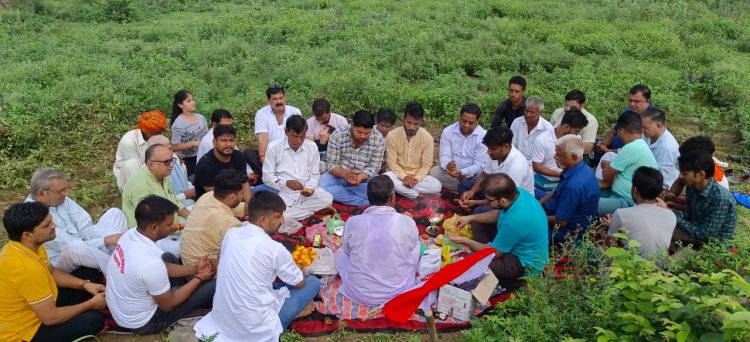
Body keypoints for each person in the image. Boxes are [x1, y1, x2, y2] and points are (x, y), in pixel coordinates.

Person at [194, 192, 321, 342]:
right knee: (313, 282)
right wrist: (299, 268)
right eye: (278, 216)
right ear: (263, 221)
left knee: (268, 280)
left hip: (223, 321)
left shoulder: (232, 234)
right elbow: (300, 282)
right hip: (256, 330)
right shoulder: (275, 249)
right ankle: (292, 314)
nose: (283, 220)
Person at [106, 195, 217, 335]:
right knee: (213, 285)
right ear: (154, 227)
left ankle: (175, 289)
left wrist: (195, 269)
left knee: (168, 257)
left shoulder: (130, 235)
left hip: (122, 309)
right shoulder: (150, 264)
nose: (172, 227)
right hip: (145, 322)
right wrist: (199, 278)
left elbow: (163, 267)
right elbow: (168, 305)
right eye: (169, 224)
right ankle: (180, 292)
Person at [0, 202, 106, 342]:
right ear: (27, 235)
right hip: (27, 331)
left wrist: (85, 285)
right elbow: (51, 318)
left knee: (88, 272)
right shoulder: (26, 269)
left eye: (51, 221)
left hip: (40, 305)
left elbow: (52, 272)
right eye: (47, 225)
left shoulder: (29, 246)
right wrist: (91, 304)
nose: (54, 226)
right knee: (94, 320)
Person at [450, 174, 548, 289]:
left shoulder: (514, 221)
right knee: (476, 219)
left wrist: (466, 241)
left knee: (474, 265)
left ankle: (513, 277)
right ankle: (485, 249)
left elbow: (495, 254)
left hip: (523, 262)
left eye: (489, 200)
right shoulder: (517, 193)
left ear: (502, 201)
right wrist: (470, 218)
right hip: (514, 242)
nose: (487, 202)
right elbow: (499, 214)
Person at [335, 176, 420, 306]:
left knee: (340, 253)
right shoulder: (406, 221)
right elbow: (412, 248)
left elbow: (347, 252)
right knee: (416, 246)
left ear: (368, 198)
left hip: (360, 293)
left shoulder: (353, 222)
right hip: (399, 291)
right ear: (393, 197)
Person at [24, 168, 128, 272]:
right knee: (76, 247)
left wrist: (115, 238)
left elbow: (86, 227)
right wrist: (106, 240)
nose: (66, 194)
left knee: (115, 213)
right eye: (61, 191)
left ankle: (121, 252)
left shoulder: (61, 200)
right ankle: (118, 270)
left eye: (66, 190)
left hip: (82, 243)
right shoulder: (33, 215)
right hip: (60, 260)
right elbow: (67, 245)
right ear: (41, 193)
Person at [263, 115, 334, 221]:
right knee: (273, 210)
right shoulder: (273, 147)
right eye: (295, 136)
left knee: (327, 198)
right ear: (286, 132)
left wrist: (310, 188)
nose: (299, 141)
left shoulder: (312, 146)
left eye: (302, 137)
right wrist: (285, 183)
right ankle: (309, 212)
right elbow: (267, 177)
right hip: (285, 192)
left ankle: (287, 217)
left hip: (307, 192)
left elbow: (315, 175)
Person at [180, 169, 249, 267]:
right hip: (205, 273)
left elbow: (241, 208)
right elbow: (244, 253)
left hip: (188, 262)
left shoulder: (208, 196)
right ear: (232, 197)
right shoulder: (230, 223)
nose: (243, 197)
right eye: (242, 193)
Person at [539, 135, 600, 244]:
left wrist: (535, 218)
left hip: (563, 232)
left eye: (559, 155)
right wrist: (538, 203)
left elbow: (561, 222)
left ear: (574, 157)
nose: (555, 157)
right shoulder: (582, 169)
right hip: (557, 207)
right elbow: (557, 191)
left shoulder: (573, 186)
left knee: (519, 228)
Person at [669, 150, 737, 247]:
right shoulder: (692, 186)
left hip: (711, 246)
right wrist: (668, 211)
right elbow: (690, 216)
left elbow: (706, 237)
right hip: (694, 232)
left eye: (685, 173)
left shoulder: (721, 199)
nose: (680, 176)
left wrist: (672, 216)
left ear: (701, 174)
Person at [607, 167, 675, 260]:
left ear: (635, 190)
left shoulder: (621, 214)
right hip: (658, 271)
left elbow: (609, 247)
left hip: (630, 270)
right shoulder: (671, 216)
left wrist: (612, 226)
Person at [597, 112, 658, 215]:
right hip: (616, 193)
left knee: (586, 203)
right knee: (585, 193)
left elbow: (606, 175)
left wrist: (606, 164)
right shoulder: (639, 145)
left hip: (627, 201)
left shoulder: (632, 147)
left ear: (622, 131)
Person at [320, 110, 385, 206]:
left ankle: (342, 191)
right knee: (321, 185)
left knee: (383, 188)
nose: (363, 136)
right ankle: (363, 201)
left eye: (367, 133)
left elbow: (374, 167)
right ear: (352, 125)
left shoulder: (378, 138)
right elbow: (331, 164)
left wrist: (360, 177)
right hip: (340, 175)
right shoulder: (338, 134)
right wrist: (345, 174)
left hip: (365, 177)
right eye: (359, 132)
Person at [459, 127, 534, 210]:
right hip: (495, 191)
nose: (488, 152)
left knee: (479, 211)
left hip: (513, 202)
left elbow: (506, 200)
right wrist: (472, 191)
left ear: (505, 147)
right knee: (464, 186)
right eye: (488, 148)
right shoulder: (495, 155)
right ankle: (474, 208)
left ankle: (475, 210)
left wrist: (475, 202)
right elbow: (485, 175)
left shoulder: (516, 166)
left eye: (492, 149)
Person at [122, 144, 191, 227]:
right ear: (151, 165)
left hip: (172, 223)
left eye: (172, 160)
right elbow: (153, 225)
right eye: (166, 162)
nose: (172, 165)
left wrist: (191, 217)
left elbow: (174, 203)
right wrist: (185, 226)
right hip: (153, 235)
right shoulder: (141, 186)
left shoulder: (163, 176)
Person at [384, 102, 442, 198]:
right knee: (386, 177)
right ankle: (415, 194)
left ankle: (404, 191)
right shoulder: (392, 135)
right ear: (403, 119)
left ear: (421, 122)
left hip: (418, 178)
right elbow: (391, 163)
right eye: (409, 123)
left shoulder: (427, 138)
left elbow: (426, 165)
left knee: (437, 186)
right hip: (398, 176)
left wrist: (416, 179)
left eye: (416, 124)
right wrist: (404, 177)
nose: (412, 127)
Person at [244, 84, 303, 177]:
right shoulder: (261, 114)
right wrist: (265, 161)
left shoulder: (295, 112)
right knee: (249, 154)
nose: (279, 101)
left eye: (281, 98)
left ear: (285, 98)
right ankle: (271, 176)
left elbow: (298, 137)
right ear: (268, 101)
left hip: (291, 153)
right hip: (270, 156)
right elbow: (262, 139)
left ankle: (269, 177)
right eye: (275, 99)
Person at [429, 103, 489, 194]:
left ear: (478, 121)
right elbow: (444, 157)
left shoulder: (483, 136)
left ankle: (465, 188)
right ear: (459, 118)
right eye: (464, 121)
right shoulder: (448, 132)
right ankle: (469, 190)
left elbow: (480, 165)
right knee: (434, 173)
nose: (466, 125)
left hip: (473, 175)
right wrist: (448, 166)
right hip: (452, 174)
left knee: (487, 178)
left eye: (471, 123)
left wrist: (462, 172)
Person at [532, 108, 588, 194]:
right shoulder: (542, 139)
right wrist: (560, 175)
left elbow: (577, 162)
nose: (577, 135)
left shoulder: (576, 139)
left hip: (567, 180)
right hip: (544, 181)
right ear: (566, 127)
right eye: (576, 131)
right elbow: (537, 166)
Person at [662, 136, 729, 209]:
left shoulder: (717, 193)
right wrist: (671, 195)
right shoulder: (694, 170)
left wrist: (672, 210)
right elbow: (680, 181)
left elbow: (697, 214)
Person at [194, 125, 260, 199]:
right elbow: (216, 196)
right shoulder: (205, 165)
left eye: (231, 140)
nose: (228, 144)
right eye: (224, 140)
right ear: (214, 142)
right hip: (212, 204)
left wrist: (250, 206)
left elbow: (244, 185)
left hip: (235, 199)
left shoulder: (238, 156)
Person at [113, 109, 168, 192]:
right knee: (132, 164)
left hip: (153, 167)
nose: (159, 135)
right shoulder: (128, 141)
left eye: (160, 132)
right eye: (156, 133)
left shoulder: (157, 134)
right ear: (145, 131)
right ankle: (138, 196)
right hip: (131, 176)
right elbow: (140, 169)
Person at [596, 84, 653, 154]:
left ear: (648, 101)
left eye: (636, 101)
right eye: (630, 100)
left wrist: (608, 151)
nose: (632, 104)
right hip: (611, 148)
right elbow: (614, 132)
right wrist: (606, 142)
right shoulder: (628, 111)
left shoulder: (651, 120)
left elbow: (636, 151)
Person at [147, 135, 196, 207]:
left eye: (170, 148)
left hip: (189, 201)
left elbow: (184, 180)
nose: (170, 152)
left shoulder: (174, 157)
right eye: (168, 149)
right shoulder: (152, 170)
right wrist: (185, 195)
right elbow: (161, 203)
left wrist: (194, 190)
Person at [548, 89, 599, 156]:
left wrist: (563, 150)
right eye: (566, 105)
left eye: (573, 107)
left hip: (576, 155)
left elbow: (588, 148)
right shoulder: (557, 113)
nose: (568, 109)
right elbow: (549, 133)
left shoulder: (591, 121)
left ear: (582, 106)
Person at [170, 90, 209, 176]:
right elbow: (174, 147)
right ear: (180, 105)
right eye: (188, 101)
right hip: (187, 160)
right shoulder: (178, 124)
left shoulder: (201, 118)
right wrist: (192, 143)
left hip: (202, 155)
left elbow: (207, 136)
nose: (193, 102)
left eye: (193, 99)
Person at [640, 108, 680, 188]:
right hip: (645, 171)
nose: (642, 130)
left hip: (660, 184)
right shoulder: (648, 134)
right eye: (641, 127)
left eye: (645, 127)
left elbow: (660, 175)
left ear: (658, 125)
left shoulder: (667, 147)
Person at [510, 96, 553, 162]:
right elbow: (512, 145)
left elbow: (547, 156)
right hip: (516, 160)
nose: (528, 115)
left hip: (536, 164)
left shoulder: (547, 128)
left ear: (540, 113)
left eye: (532, 112)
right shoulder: (517, 122)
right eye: (526, 111)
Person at [376, 107, 397, 174]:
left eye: (387, 127)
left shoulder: (392, 136)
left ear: (392, 126)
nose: (384, 129)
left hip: (385, 164)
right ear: (377, 122)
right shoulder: (370, 132)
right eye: (382, 125)